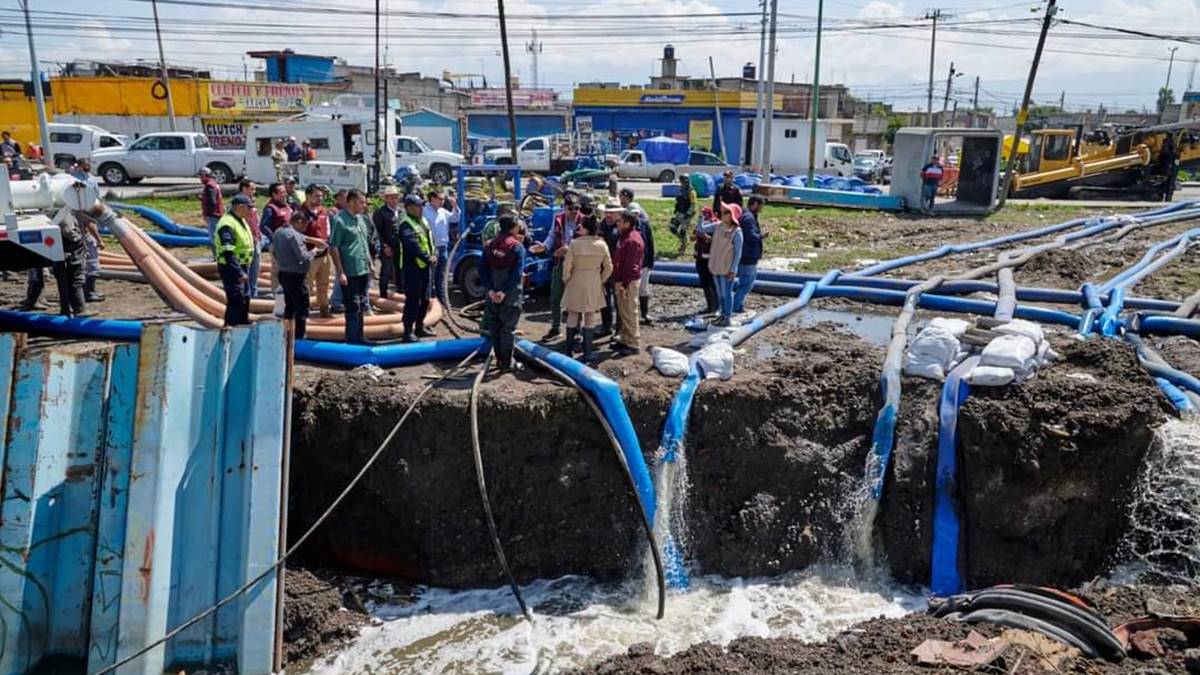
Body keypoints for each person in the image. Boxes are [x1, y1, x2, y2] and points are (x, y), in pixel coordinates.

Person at [529, 195, 582, 339]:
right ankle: (555, 328)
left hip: (577, 265)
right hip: (560, 262)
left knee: (576, 298)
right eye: (571, 208)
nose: (574, 211)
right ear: (564, 208)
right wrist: (544, 246)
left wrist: (569, 249)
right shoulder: (558, 219)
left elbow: (586, 241)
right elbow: (552, 236)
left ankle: (576, 330)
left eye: (577, 208)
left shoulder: (583, 220)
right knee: (555, 297)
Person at [480, 215, 527, 373]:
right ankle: (507, 363)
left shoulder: (490, 246)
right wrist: (504, 291)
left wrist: (491, 289)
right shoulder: (517, 247)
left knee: (495, 327)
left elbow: (482, 269)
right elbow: (517, 273)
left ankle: (499, 359)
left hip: (492, 294)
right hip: (510, 295)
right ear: (514, 228)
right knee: (508, 328)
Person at [562, 214, 612, 363]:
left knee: (572, 315)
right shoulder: (602, 244)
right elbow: (609, 267)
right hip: (593, 281)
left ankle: (568, 351)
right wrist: (601, 280)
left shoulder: (574, 244)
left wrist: (567, 279)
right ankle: (588, 353)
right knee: (590, 316)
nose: (579, 228)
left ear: (586, 229)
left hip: (575, 281)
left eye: (581, 226)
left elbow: (567, 266)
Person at [328, 189, 375, 344]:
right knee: (352, 306)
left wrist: (370, 263)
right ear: (352, 201)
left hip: (362, 268)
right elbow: (334, 247)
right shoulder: (340, 220)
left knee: (361, 304)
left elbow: (364, 243)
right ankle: (352, 340)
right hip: (349, 271)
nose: (364, 205)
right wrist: (340, 272)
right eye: (361, 202)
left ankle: (360, 336)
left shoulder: (361, 219)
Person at [273, 210, 326, 339]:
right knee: (301, 307)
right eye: (303, 226)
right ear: (298, 222)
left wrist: (313, 240)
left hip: (284, 273)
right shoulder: (294, 236)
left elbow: (300, 237)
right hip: (296, 277)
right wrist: (315, 251)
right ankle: (299, 336)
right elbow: (303, 256)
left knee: (289, 306)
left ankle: (287, 333)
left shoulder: (279, 232)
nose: (304, 230)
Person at [398, 193, 437, 342]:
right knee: (413, 301)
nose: (421, 208)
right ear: (409, 208)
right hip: (412, 268)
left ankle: (420, 327)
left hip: (425, 268)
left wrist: (434, 254)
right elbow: (412, 245)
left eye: (422, 205)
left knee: (425, 299)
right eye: (418, 205)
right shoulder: (406, 224)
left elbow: (429, 241)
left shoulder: (423, 222)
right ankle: (407, 332)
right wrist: (428, 258)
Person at [214, 194, 256, 327]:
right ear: (239, 207)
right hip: (231, 268)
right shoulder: (227, 224)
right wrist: (239, 272)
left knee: (245, 298)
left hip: (242, 266)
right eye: (249, 208)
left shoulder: (240, 219)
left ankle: (243, 325)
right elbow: (228, 252)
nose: (251, 211)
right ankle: (230, 328)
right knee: (236, 300)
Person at [700, 202, 744, 327]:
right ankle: (722, 315)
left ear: (732, 216)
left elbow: (737, 253)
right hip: (716, 265)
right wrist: (701, 217)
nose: (722, 214)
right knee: (720, 294)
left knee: (726, 294)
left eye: (726, 212)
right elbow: (701, 229)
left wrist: (733, 269)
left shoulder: (737, 232)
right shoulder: (718, 226)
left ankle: (727, 317)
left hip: (727, 268)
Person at [618, 188, 656, 326]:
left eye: (636, 214)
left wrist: (650, 262)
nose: (635, 216)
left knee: (644, 289)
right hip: (632, 264)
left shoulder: (644, 225)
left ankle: (644, 313)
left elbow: (650, 244)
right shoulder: (625, 229)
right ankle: (628, 317)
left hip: (644, 262)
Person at [71, 159, 105, 302]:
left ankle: (85, 292)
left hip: (82, 225)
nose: (87, 167)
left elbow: (97, 197)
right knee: (91, 263)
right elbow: (89, 222)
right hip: (83, 231)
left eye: (88, 165)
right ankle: (88, 293)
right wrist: (99, 240)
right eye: (84, 166)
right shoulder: (75, 181)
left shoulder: (91, 180)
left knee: (84, 263)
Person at [611, 212, 645, 355]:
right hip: (622, 280)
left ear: (627, 223)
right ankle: (625, 339)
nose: (617, 223)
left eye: (620, 221)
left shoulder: (632, 240)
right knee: (624, 311)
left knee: (630, 311)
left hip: (628, 281)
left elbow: (632, 266)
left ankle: (633, 343)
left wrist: (624, 284)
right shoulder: (625, 237)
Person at [300, 185, 334, 317]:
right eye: (317, 196)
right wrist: (314, 242)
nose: (320, 198)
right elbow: (296, 235)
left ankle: (324, 309)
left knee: (324, 284)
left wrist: (327, 242)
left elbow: (328, 229)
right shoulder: (300, 213)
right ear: (308, 196)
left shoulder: (323, 211)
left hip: (324, 255)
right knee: (307, 286)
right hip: (309, 256)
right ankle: (304, 312)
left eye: (321, 196)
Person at [423, 188, 460, 304]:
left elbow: (455, 218)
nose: (442, 201)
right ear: (432, 199)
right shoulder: (424, 212)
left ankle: (441, 297)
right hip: (432, 248)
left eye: (443, 199)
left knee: (441, 274)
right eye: (440, 199)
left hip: (443, 247)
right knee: (430, 275)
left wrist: (455, 206)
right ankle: (428, 298)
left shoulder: (443, 212)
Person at [733, 195, 765, 315]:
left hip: (743, 254)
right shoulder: (749, 218)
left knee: (743, 282)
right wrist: (761, 236)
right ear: (755, 204)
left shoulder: (744, 215)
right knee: (746, 283)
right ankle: (736, 306)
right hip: (749, 256)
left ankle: (736, 305)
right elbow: (750, 236)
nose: (761, 209)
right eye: (761, 206)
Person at [260, 182, 293, 297]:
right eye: (282, 192)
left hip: (291, 243)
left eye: (285, 192)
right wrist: (274, 237)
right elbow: (263, 226)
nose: (285, 194)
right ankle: (277, 294)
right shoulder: (270, 208)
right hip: (279, 245)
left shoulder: (287, 205)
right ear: (274, 194)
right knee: (278, 270)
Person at [597, 201, 624, 338]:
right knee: (604, 298)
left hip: (618, 268)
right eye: (607, 212)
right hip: (603, 268)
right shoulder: (602, 225)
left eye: (612, 212)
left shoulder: (621, 226)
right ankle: (606, 326)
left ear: (618, 213)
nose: (608, 215)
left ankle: (620, 329)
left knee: (619, 300)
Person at [373, 185, 403, 299]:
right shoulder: (380, 213)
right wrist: (385, 246)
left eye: (395, 197)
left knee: (400, 270)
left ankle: (400, 292)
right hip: (387, 246)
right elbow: (378, 232)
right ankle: (383, 294)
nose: (394, 200)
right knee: (386, 270)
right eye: (391, 197)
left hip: (399, 246)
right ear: (385, 199)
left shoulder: (400, 212)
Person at [235, 179, 263, 298]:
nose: (254, 191)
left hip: (255, 239)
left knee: (255, 268)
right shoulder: (238, 205)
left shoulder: (252, 202)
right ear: (244, 189)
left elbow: (255, 220)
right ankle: (246, 294)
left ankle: (253, 293)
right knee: (246, 269)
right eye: (252, 189)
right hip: (245, 243)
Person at [693, 207, 718, 314]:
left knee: (712, 283)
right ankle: (710, 306)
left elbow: (718, 239)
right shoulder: (700, 224)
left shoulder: (715, 224)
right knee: (705, 283)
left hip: (710, 258)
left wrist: (708, 238)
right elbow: (693, 237)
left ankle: (715, 306)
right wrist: (696, 236)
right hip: (700, 257)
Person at [670, 173, 697, 257]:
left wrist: (688, 214)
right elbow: (679, 200)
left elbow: (693, 204)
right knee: (672, 227)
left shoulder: (691, 191)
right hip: (680, 212)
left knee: (682, 231)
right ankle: (683, 241)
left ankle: (683, 246)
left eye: (682, 181)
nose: (681, 183)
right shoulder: (682, 189)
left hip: (686, 214)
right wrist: (676, 208)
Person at [199, 167, 224, 257]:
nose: (200, 179)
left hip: (214, 216)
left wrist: (208, 215)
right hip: (218, 214)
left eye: (201, 176)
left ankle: (217, 257)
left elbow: (212, 202)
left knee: (214, 237)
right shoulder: (214, 184)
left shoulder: (209, 186)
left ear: (205, 176)